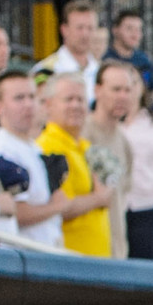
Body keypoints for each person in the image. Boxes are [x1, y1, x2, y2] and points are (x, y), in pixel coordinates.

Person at [0, 72, 96, 247]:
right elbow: (17, 212)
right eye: (19, 98)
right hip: (24, 260)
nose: (28, 104)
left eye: (32, 97)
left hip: (46, 253)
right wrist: (58, 207)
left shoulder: (33, 147)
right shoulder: (2, 149)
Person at [101, 58, 153, 260]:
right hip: (114, 206)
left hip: (150, 207)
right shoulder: (106, 126)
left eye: (132, 84)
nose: (126, 92)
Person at [36, 72, 110, 257]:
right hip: (70, 262)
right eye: (68, 99)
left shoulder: (86, 147)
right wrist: (99, 198)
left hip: (96, 259)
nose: (76, 105)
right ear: (48, 105)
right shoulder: (48, 147)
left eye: (81, 99)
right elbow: (59, 207)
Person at [32, 0, 103, 104]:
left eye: (90, 28)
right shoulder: (46, 70)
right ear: (64, 30)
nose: (85, 34)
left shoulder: (101, 71)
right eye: (80, 28)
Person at [107, 9, 153, 101]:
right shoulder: (106, 58)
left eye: (138, 29)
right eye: (129, 28)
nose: (135, 34)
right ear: (115, 30)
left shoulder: (143, 60)